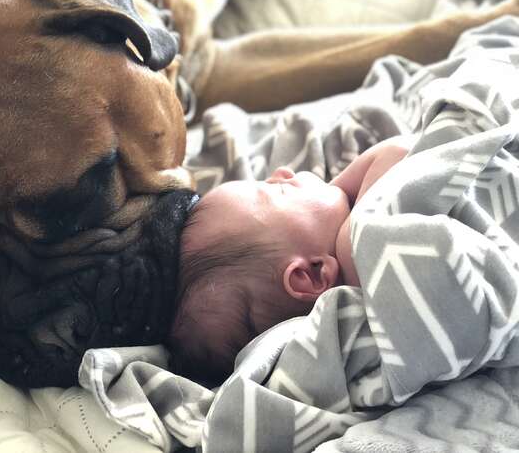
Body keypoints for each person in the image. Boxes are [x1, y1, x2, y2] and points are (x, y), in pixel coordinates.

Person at [169, 134, 416, 382]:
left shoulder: (355, 334)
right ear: (309, 275)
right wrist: (339, 187)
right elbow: (400, 151)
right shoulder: (358, 245)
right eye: (279, 190)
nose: (283, 172)